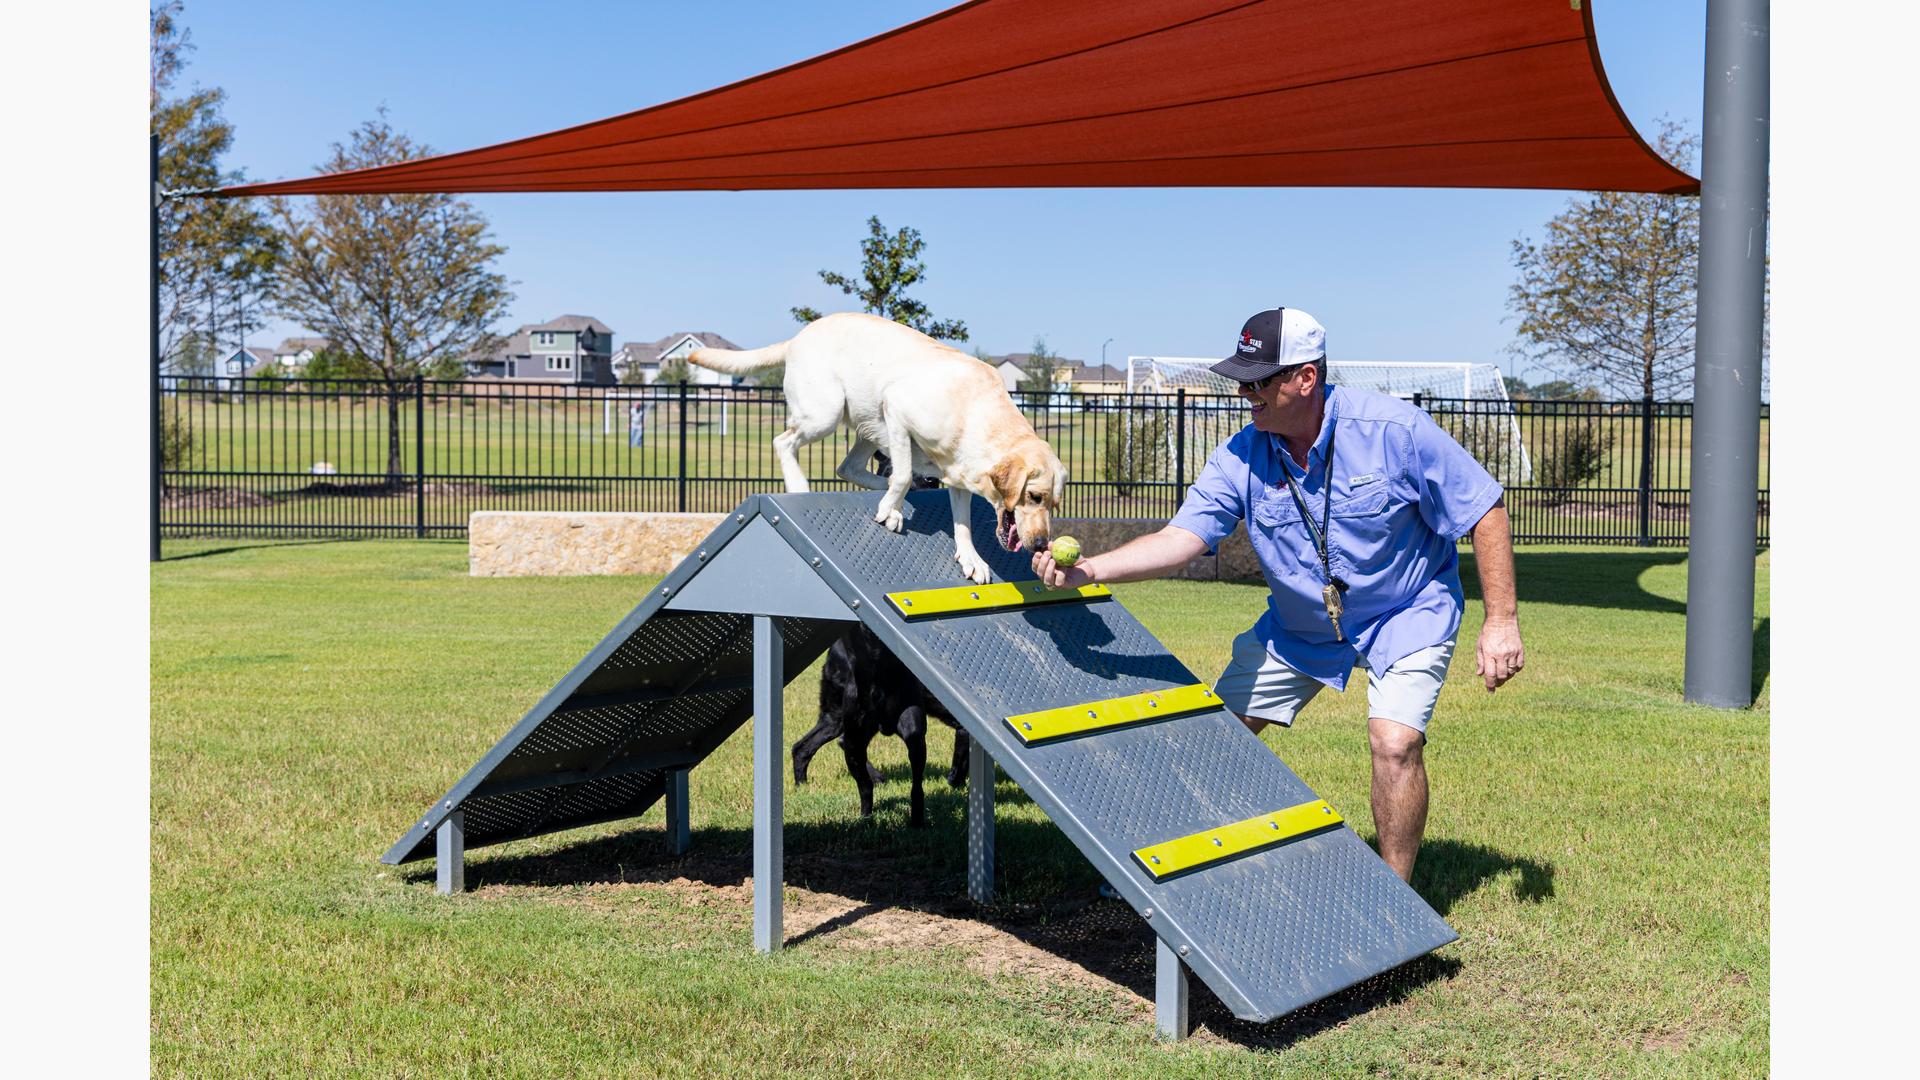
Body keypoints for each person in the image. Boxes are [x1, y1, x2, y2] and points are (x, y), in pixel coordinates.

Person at [1033, 307, 1523, 883]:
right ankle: (1178, 878)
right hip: (1301, 628)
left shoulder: (1393, 430)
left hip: (1406, 610)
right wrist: (1091, 569)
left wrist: (1502, 622)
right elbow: (1181, 538)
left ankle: (1394, 899)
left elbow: (1483, 510)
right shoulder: (1242, 454)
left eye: (1259, 379)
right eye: (1242, 379)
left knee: (1394, 742)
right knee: (1215, 739)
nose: (1245, 392)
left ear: (1305, 379)